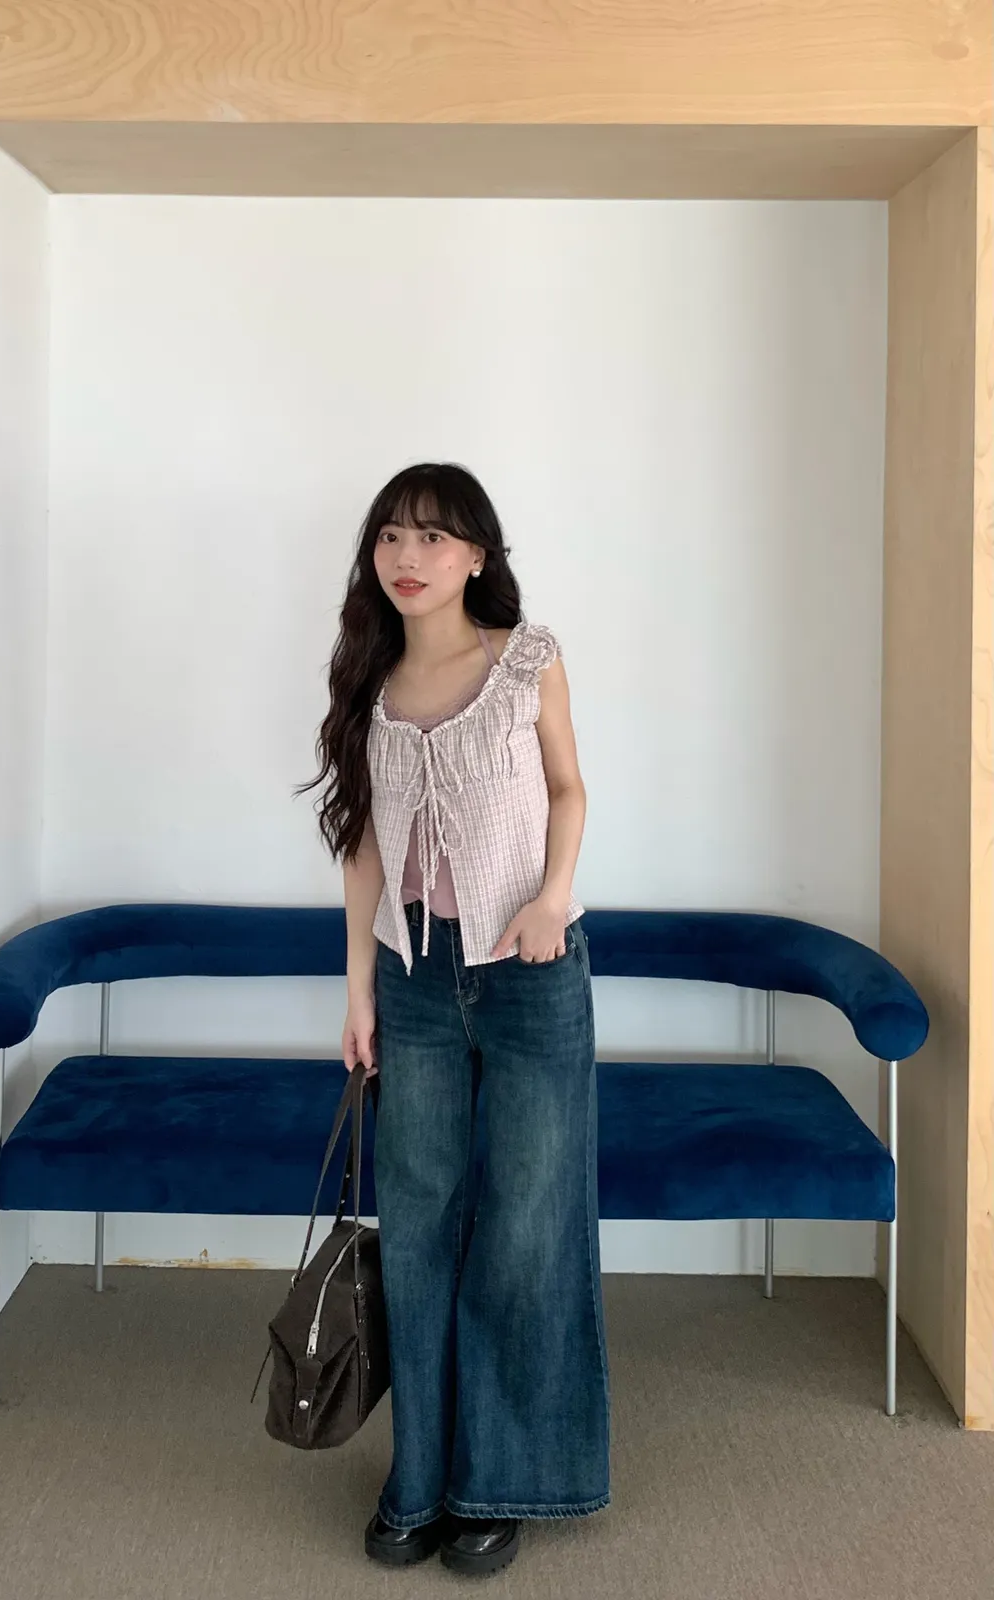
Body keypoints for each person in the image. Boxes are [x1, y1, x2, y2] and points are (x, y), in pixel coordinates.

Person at [298, 462, 609, 1579]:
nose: (408, 555)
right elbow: (363, 844)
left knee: (524, 1227)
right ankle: (418, 1478)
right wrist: (359, 987)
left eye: (433, 535)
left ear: (478, 554)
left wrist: (552, 898)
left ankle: (500, 1481)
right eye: (391, 535)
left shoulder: (528, 658)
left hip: (531, 972)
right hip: (416, 978)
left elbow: (568, 789)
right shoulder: (368, 677)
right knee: (420, 1226)